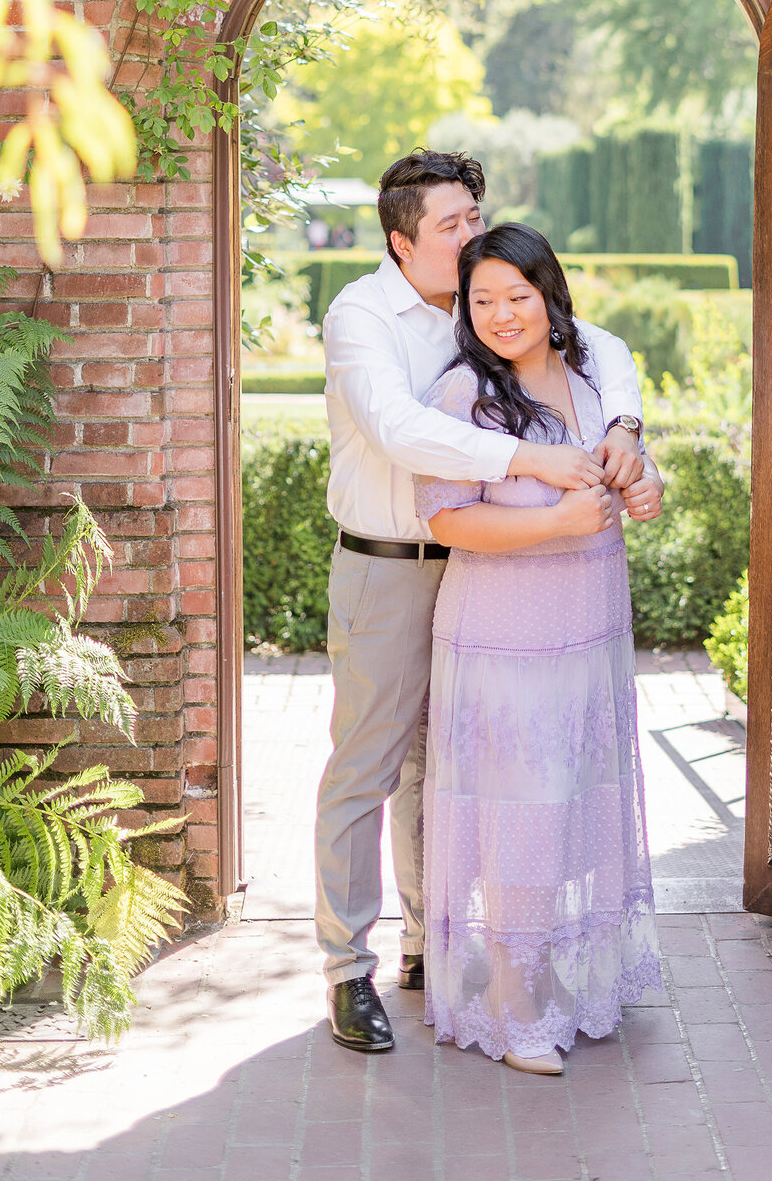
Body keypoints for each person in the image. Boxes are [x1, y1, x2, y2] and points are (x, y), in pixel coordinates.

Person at [315, 149, 660, 1055]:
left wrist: (623, 428)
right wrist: (529, 462)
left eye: (476, 214)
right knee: (372, 765)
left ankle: (435, 940)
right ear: (401, 241)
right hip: (394, 561)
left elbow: (604, 350)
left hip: (487, 576)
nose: (472, 234)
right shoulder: (362, 315)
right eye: (453, 224)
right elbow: (400, 428)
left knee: (456, 766)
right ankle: (346, 967)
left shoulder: (490, 300)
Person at [415, 223, 664, 1076]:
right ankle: (512, 1004)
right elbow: (446, 518)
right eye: (481, 300)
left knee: (565, 807)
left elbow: (636, 471)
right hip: (504, 639)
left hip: (587, 632)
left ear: (550, 294)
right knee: (517, 814)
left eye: (516, 295)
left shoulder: (592, 374)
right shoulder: (461, 397)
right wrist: (553, 519)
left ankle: (549, 966)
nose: (500, 314)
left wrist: (643, 483)